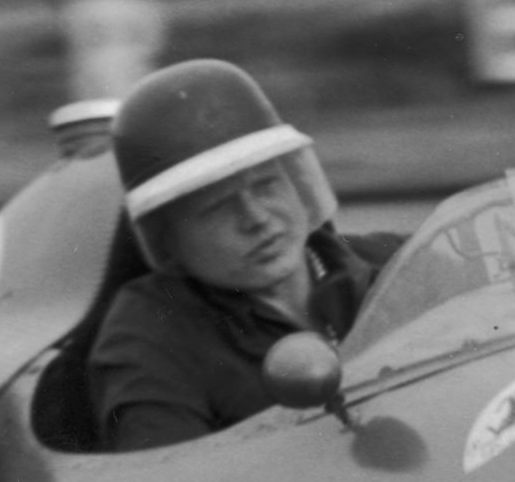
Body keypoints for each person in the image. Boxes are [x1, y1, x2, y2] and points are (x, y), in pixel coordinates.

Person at [88, 60, 400, 452]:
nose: (256, 218)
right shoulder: (148, 333)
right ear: (168, 238)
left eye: (267, 184)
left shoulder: (393, 263)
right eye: (217, 207)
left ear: (298, 182)